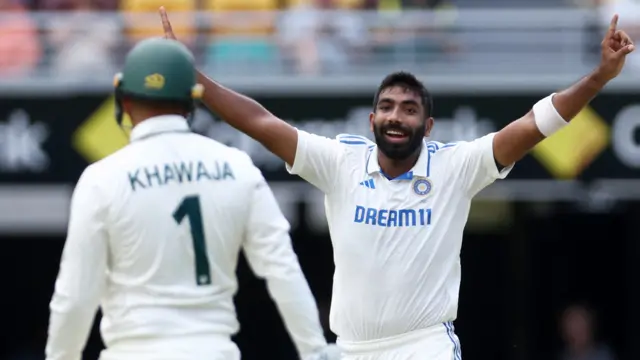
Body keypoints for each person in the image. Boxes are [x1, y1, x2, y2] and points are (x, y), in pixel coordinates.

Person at [159, 7, 635, 359]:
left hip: (423, 346)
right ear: (371, 119)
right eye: (387, 106)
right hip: (349, 349)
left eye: (409, 109)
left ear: (428, 127)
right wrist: (194, 78)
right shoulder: (339, 162)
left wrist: (598, 78)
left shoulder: (456, 167)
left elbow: (535, 124)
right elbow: (260, 122)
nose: (395, 116)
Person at [45, 37, 340, 360]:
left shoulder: (101, 179)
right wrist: (313, 348)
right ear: (192, 101)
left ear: (124, 100)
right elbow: (282, 269)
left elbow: (75, 296)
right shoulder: (237, 166)